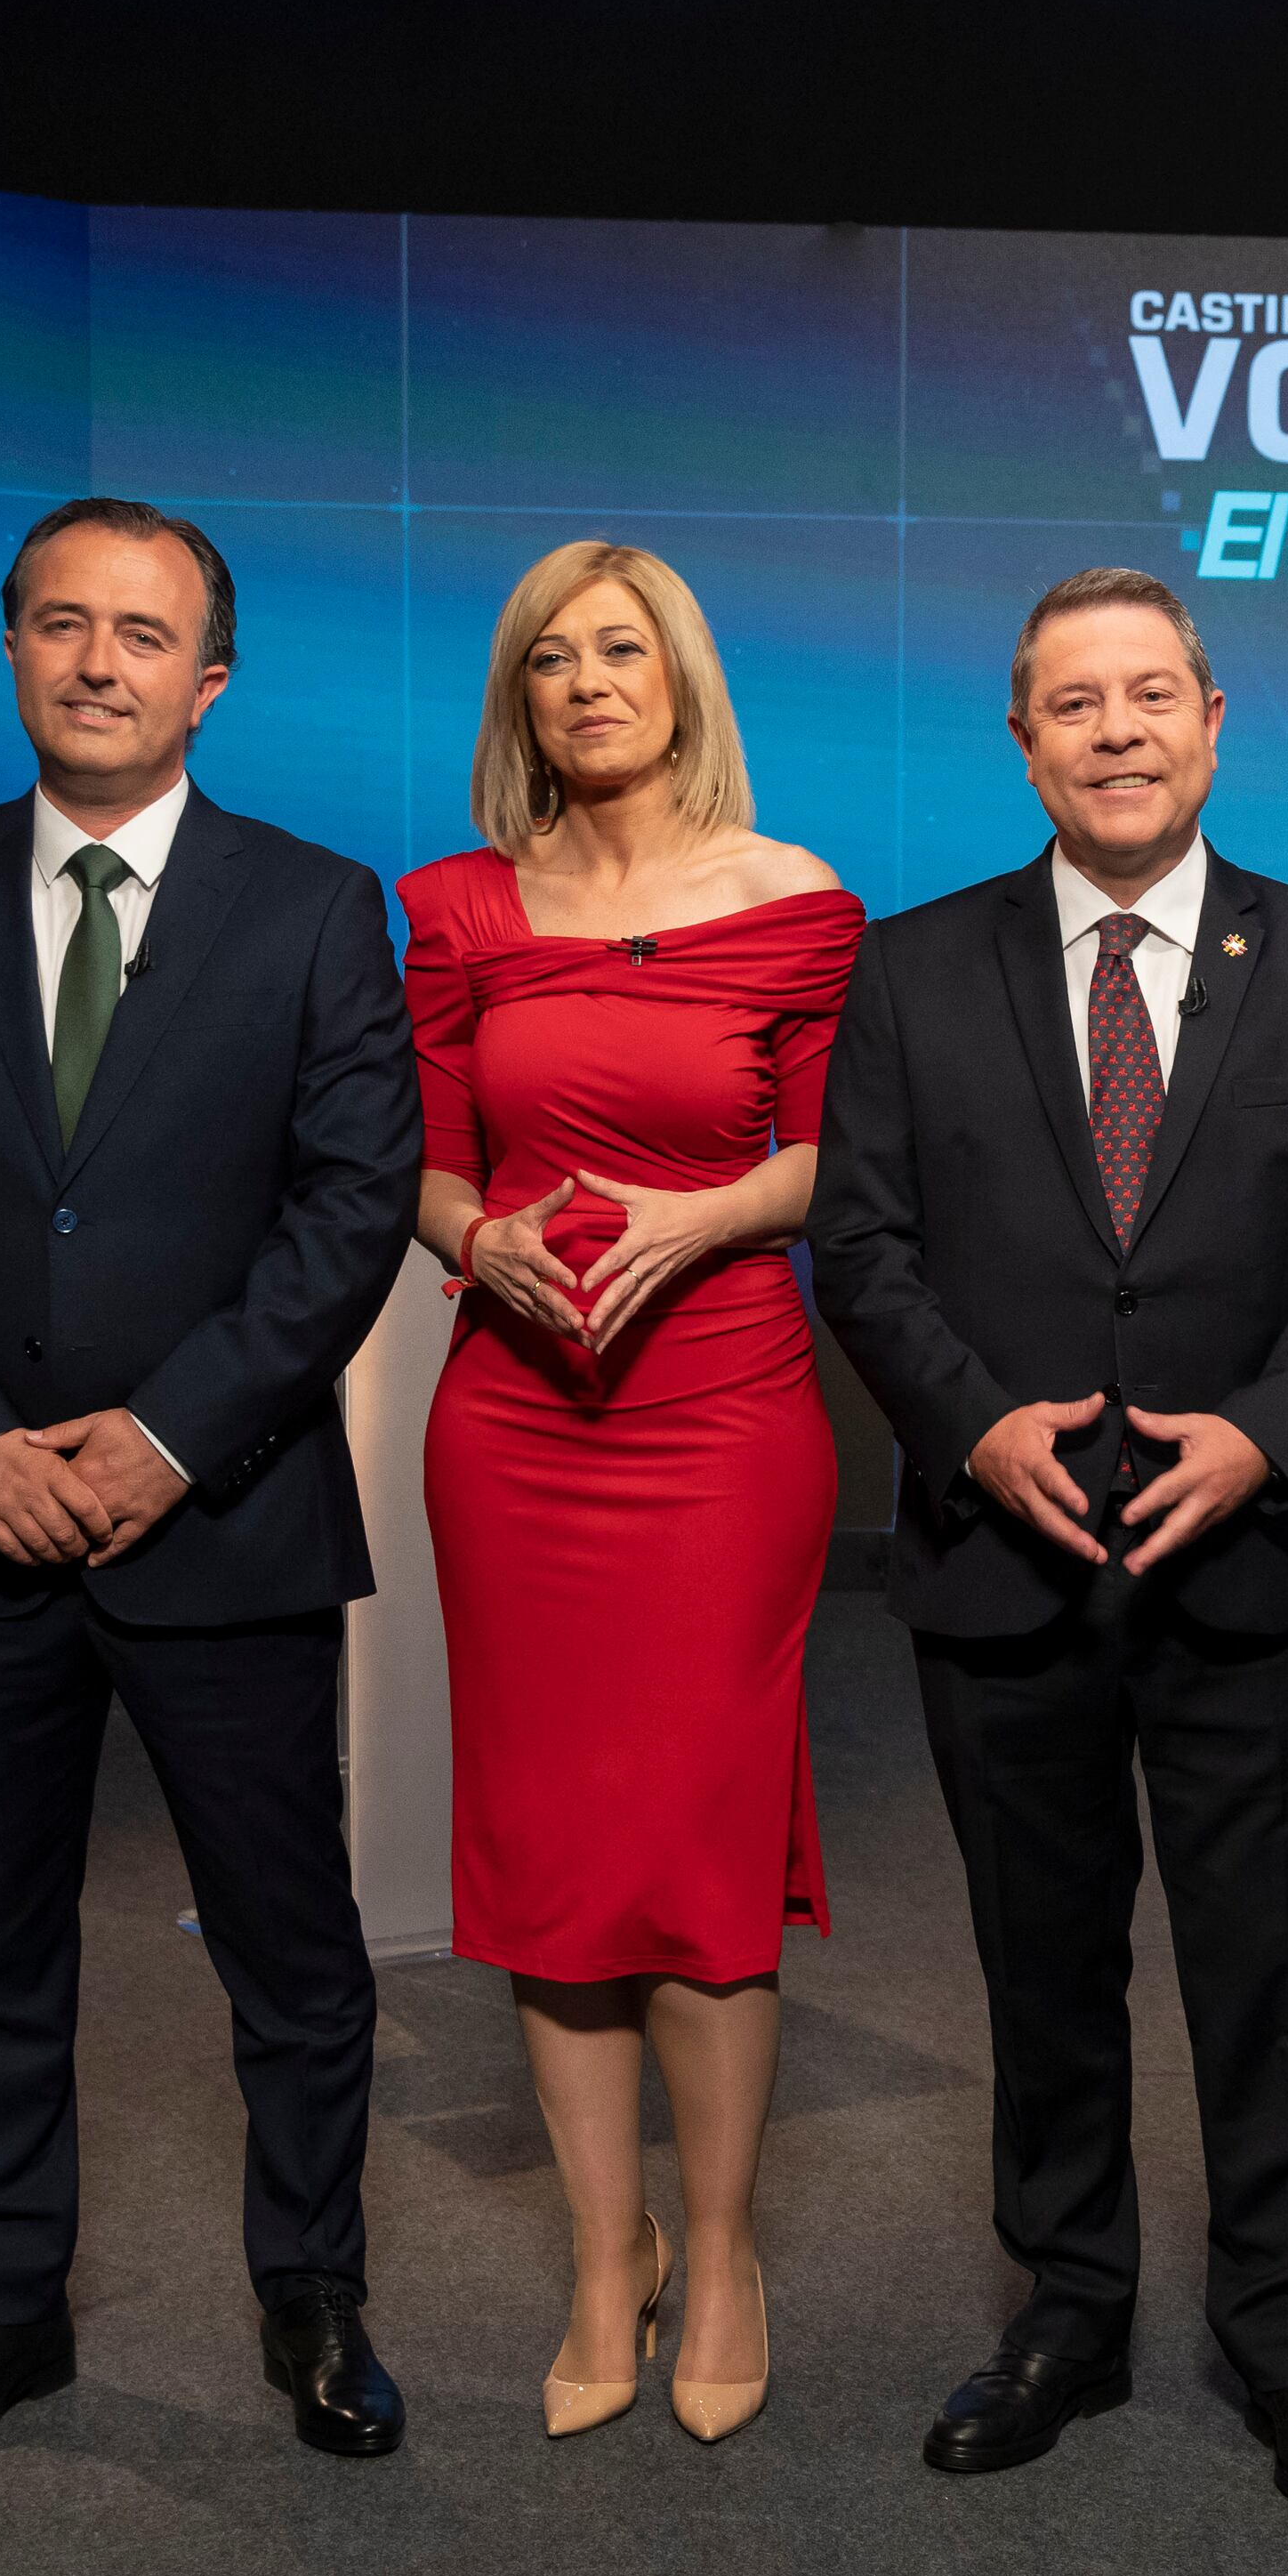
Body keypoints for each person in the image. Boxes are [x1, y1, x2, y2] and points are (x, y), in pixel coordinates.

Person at [0, 497, 423, 2475]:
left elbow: (352, 1203)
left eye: (144, 634)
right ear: (11, 651)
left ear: (207, 679)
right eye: (62, 623)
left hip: (217, 1513)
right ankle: (0, 2309)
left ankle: (313, 2293)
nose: (99, 662)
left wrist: (160, 1436)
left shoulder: (319, 907)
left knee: (291, 1937)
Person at [808, 569, 1288, 2518]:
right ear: (1023, 742)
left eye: (1149, 694)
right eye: (1071, 703)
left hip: (1252, 1562)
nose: (1116, 730)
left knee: (1263, 1974)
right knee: (1042, 1961)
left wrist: (1262, 1436)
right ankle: (1068, 2305)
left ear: (1214, 718)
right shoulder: (914, 968)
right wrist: (973, 1427)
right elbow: (863, 1242)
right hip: (1008, 1556)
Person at [400, 542, 857, 2445]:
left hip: (723, 1416)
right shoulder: (453, 907)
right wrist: (479, 1236)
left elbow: (836, 1154)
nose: (590, 681)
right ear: (520, 697)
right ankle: (611, 2251)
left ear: (682, 675)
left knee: (695, 1844)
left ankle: (728, 2243)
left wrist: (701, 1211)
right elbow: (420, 1166)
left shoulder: (800, 903)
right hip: (516, 1422)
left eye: (623, 649)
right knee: (552, 1851)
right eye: (553, 659)